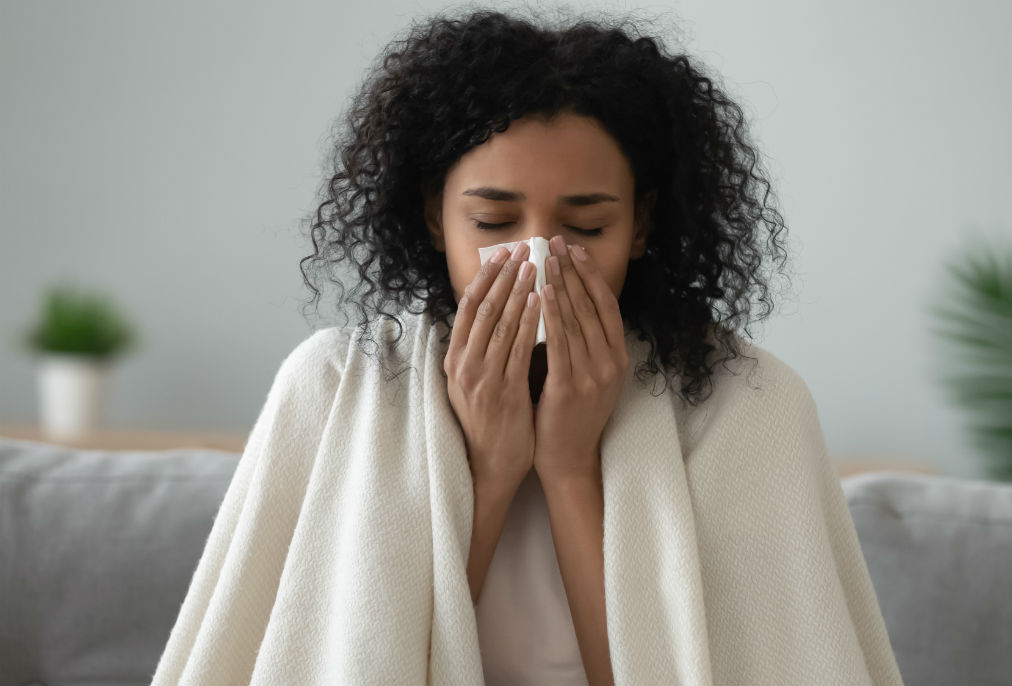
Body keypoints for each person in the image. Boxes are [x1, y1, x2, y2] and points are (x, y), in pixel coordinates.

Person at [151, 7, 903, 686]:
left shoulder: (748, 404)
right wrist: (489, 468)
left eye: (585, 227)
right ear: (433, 218)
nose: (538, 259)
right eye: (491, 223)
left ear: (640, 227)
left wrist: (570, 468)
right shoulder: (335, 388)